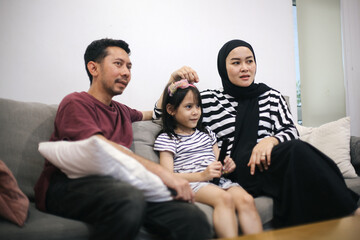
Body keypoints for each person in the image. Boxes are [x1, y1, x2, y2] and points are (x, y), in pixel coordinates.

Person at [155, 39, 360, 228]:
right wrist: (173, 81)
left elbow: (290, 130)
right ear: (223, 68)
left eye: (249, 61)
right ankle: (351, 209)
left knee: (298, 152)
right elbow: (161, 114)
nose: (245, 68)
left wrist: (270, 140)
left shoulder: (272, 97)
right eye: (236, 63)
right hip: (233, 169)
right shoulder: (208, 100)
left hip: (270, 163)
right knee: (297, 153)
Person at [34, 38, 211, 240]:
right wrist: (164, 174)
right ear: (94, 68)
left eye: (129, 66)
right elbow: (99, 146)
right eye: (118, 64)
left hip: (118, 188)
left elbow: (157, 114)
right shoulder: (75, 102)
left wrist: (171, 82)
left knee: (191, 217)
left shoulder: (121, 111)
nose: (126, 72)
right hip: (67, 187)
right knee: (129, 198)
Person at [154, 79, 263, 238]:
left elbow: (219, 161)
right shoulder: (167, 138)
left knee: (246, 199)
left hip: (217, 181)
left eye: (198, 106)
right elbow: (167, 175)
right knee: (224, 198)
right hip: (192, 183)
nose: (195, 112)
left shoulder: (207, 133)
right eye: (188, 107)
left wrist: (227, 165)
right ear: (171, 109)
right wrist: (202, 176)